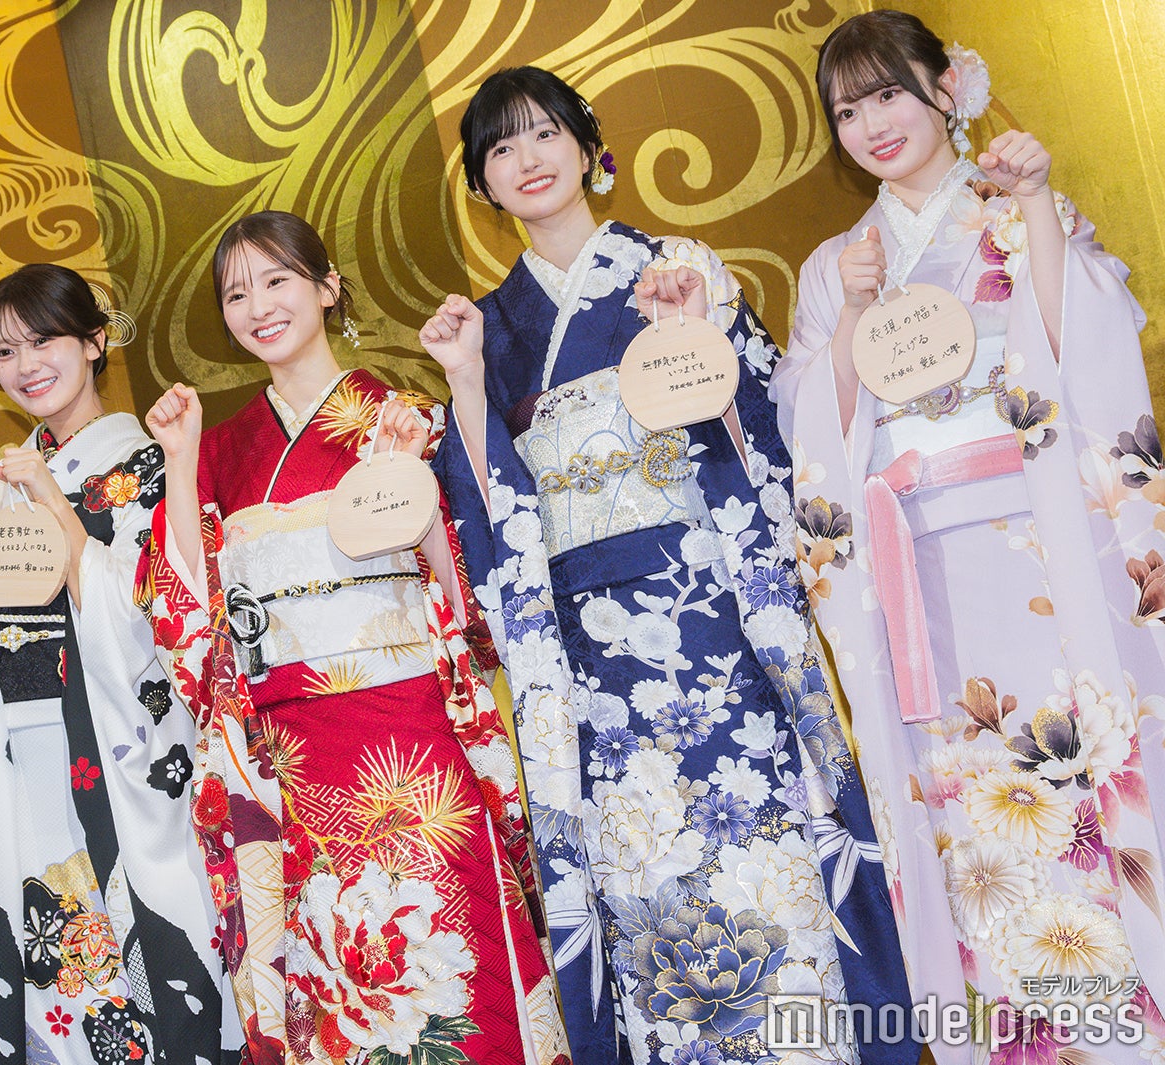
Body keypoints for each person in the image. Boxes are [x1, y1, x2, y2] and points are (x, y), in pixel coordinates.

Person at [419, 66, 913, 1064]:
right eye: (500, 149)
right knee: (643, 867)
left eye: (545, 133)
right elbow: (487, 512)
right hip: (589, 663)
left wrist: (695, 328)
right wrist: (466, 387)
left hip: (709, 627)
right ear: (480, 185)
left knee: (755, 843)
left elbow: (765, 433)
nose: (527, 159)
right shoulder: (490, 328)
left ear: (587, 146)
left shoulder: (674, 269)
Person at [772, 11, 1165, 1061]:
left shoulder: (1009, 209)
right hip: (918, 576)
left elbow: (1090, 344)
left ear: (946, 87)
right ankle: (1036, 1036)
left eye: (887, 94)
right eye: (846, 112)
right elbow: (807, 428)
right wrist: (849, 321)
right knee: (971, 811)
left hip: (1035, 553)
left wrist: (1033, 205)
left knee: (1075, 774)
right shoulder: (835, 266)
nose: (871, 125)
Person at [142, 210, 570, 1065]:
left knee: (453, 954)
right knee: (334, 987)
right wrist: (180, 463)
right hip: (291, 761)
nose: (258, 306)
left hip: (409, 737)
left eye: (278, 280)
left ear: (327, 287)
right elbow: (187, 617)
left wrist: (429, 508)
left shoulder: (404, 421)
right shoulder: (217, 449)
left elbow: (471, 583)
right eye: (237, 294)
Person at [0, 264, 235, 1065]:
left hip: (120, 754)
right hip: (21, 764)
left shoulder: (148, 464)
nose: (25, 364)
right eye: (4, 351)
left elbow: (159, 609)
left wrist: (54, 499)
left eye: (43, 339)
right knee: (55, 973)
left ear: (94, 340)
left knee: (146, 958)